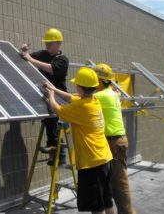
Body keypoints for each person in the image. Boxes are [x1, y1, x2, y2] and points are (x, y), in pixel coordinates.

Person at [44, 67, 114, 214]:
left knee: (97, 207)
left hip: (92, 163)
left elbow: (58, 109)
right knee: (107, 201)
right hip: (105, 159)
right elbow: (70, 97)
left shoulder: (81, 107)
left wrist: (50, 95)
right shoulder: (93, 101)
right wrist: (55, 89)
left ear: (80, 88)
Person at [21, 28, 69, 165]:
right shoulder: (42, 54)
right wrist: (24, 51)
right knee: (48, 122)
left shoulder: (63, 60)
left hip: (59, 96)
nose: (47, 46)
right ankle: (54, 151)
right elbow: (25, 56)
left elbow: (50, 68)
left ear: (58, 43)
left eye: (50, 43)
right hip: (46, 95)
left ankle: (59, 154)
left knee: (53, 121)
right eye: (46, 43)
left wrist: (31, 59)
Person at [94, 63, 136, 214]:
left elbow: (80, 99)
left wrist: (54, 92)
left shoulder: (100, 96)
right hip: (116, 140)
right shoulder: (112, 93)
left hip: (114, 141)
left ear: (99, 81)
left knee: (119, 182)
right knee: (116, 180)